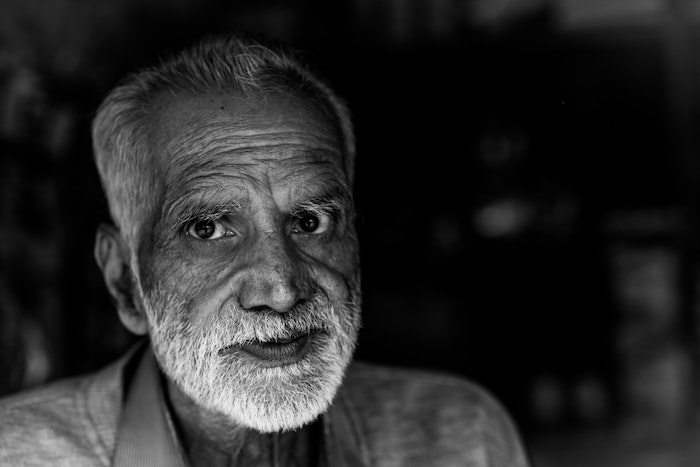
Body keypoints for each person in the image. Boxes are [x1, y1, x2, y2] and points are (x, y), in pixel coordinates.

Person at [0, 34, 530, 466]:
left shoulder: (466, 437)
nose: (281, 289)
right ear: (126, 284)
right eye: (207, 229)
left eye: (310, 220)